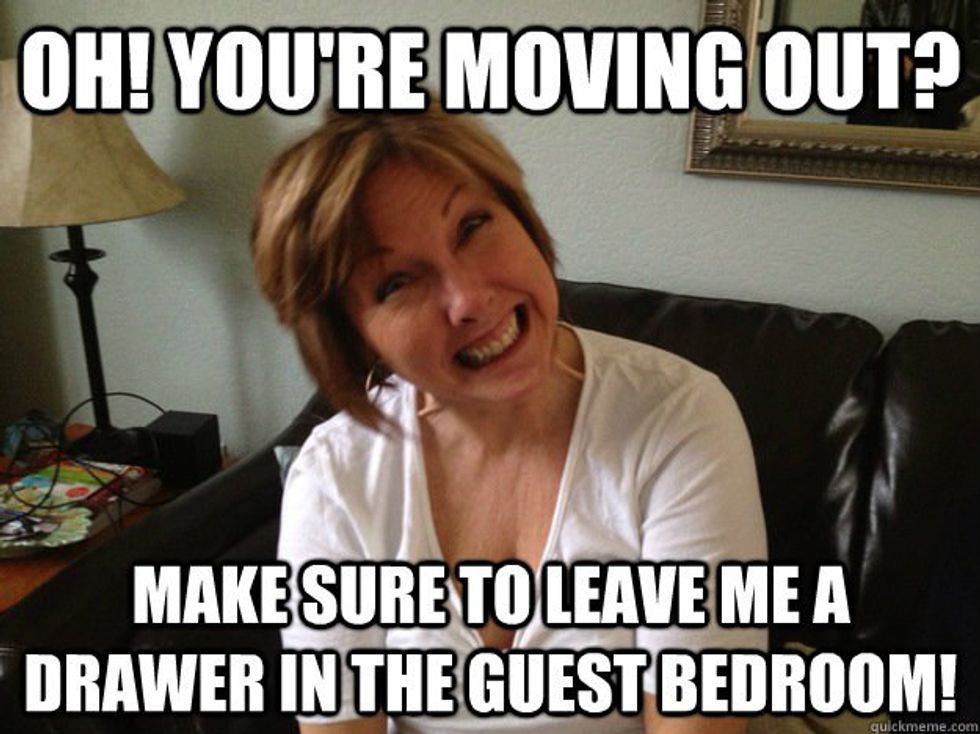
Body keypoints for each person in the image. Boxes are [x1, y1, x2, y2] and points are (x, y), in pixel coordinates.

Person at [251, 99, 768, 733]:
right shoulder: (334, 476)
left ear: (523, 219)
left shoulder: (678, 419)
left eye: (472, 227)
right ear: (355, 340)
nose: (469, 299)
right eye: (397, 283)